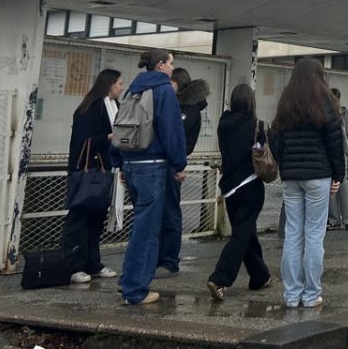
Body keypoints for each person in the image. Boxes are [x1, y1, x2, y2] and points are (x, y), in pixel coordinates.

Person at [269, 58, 345, 309]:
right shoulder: (326, 102)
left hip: (291, 177)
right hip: (318, 176)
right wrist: (338, 175)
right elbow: (335, 142)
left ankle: (291, 295)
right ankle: (311, 295)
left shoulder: (286, 103)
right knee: (314, 235)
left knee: (292, 234)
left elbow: (275, 137)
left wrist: (285, 164)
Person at [114, 49, 187, 306]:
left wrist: (119, 162)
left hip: (130, 163)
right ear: (160, 65)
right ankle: (135, 290)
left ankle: (128, 279)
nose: (172, 68)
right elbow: (171, 130)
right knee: (148, 230)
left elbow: (120, 125)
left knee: (140, 225)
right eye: (170, 63)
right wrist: (179, 163)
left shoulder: (132, 90)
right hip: (153, 165)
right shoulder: (163, 90)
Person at [206, 84, 273, 300]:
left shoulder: (223, 124)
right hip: (250, 185)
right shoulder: (257, 126)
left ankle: (260, 276)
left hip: (229, 189)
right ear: (251, 102)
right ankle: (219, 278)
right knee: (241, 235)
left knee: (246, 232)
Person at [62, 69, 123, 284]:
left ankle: (92, 262)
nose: (121, 87)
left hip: (105, 170)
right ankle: (73, 265)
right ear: (109, 84)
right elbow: (82, 141)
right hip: (87, 171)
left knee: (97, 218)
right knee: (79, 218)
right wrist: (107, 137)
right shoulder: (89, 109)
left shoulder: (115, 107)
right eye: (119, 83)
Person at [156, 67, 209, 277]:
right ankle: (161, 257)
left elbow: (178, 139)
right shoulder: (176, 105)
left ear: (179, 83)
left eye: (171, 82)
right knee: (161, 213)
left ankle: (169, 260)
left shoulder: (188, 109)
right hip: (166, 164)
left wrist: (178, 164)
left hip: (171, 165)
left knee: (169, 213)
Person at [327, 87, 348, 231]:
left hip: (343, 154)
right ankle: (334, 220)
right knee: (331, 187)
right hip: (330, 154)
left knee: (345, 188)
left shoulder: (344, 112)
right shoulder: (325, 113)